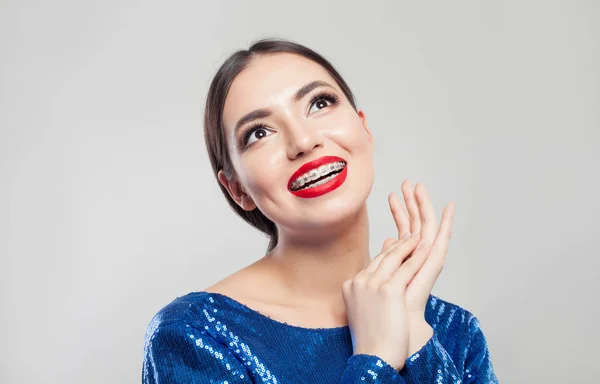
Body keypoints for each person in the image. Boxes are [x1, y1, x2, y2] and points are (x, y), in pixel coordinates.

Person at [142, 37, 499, 383]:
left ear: (365, 128)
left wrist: (416, 335)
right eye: (259, 132)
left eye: (319, 103)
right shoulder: (195, 336)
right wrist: (375, 362)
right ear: (237, 189)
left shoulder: (454, 331)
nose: (302, 141)